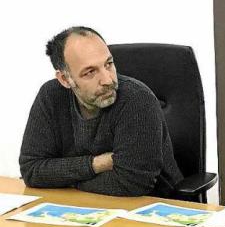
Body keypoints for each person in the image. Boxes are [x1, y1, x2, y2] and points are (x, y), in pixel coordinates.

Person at [19, 26, 183, 197]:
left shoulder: (137, 99)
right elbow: (31, 170)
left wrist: (65, 179)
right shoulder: (51, 96)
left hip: (156, 205)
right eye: (90, 72)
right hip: (86, 205)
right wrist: (97, 164)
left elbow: (133, 184)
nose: (108, 80)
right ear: (65, 79)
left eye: (108, 64)